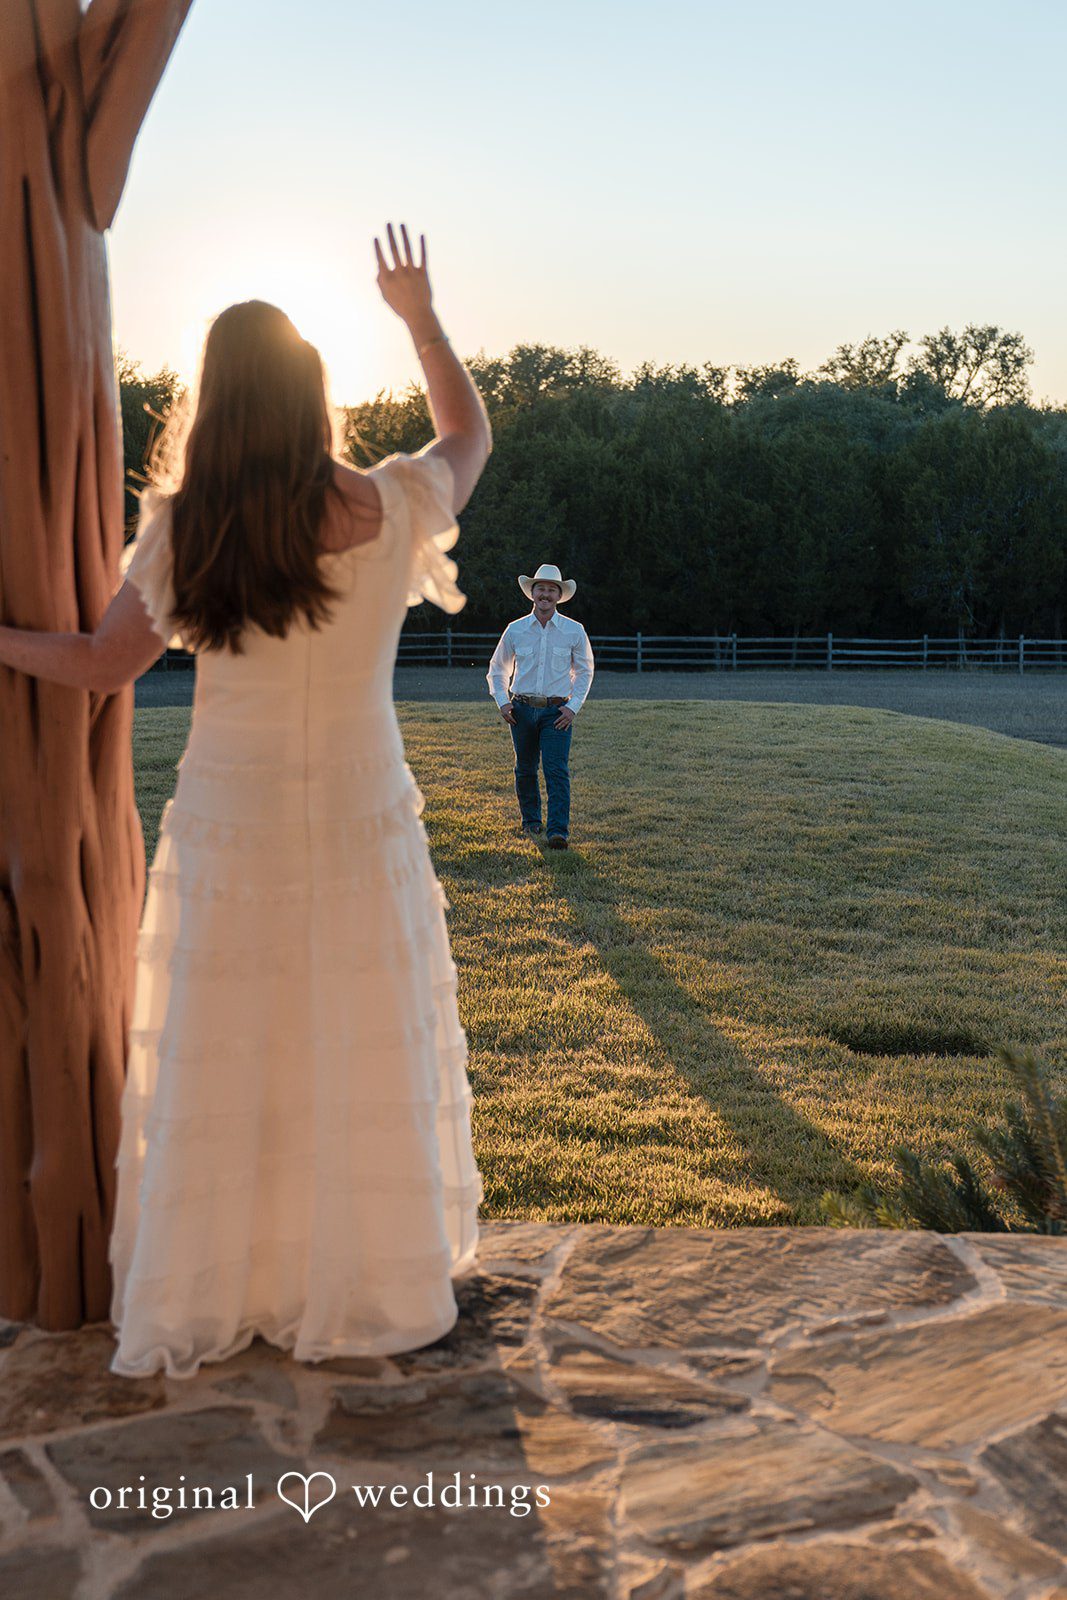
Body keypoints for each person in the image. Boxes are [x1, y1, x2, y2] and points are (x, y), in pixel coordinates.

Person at [0, 223, 492, 1377]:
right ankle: (362, 1280)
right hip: (364, 824)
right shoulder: (394, 504)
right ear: (316, 394)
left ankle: (236, 1280)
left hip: (231, 828)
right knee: (352, 1042)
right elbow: (469, 432)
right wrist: (417, 316)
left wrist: (1, 639)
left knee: (234, 1046)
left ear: (211, 402)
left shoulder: (189, 531)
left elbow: (96, 665)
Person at [487, 564, 594, 848]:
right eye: (541, 589)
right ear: (532, 593)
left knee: (556, 769)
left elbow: (584, 672)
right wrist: (502, 701)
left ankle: (558, 831)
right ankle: (532, 822)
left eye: (551, 590)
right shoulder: (516, 630)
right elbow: (497, 669)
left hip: (557, 712)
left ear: (559, 596)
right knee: (525, 768)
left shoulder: (574, 631)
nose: (545, 594)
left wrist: (573, 707)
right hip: (520, 710)